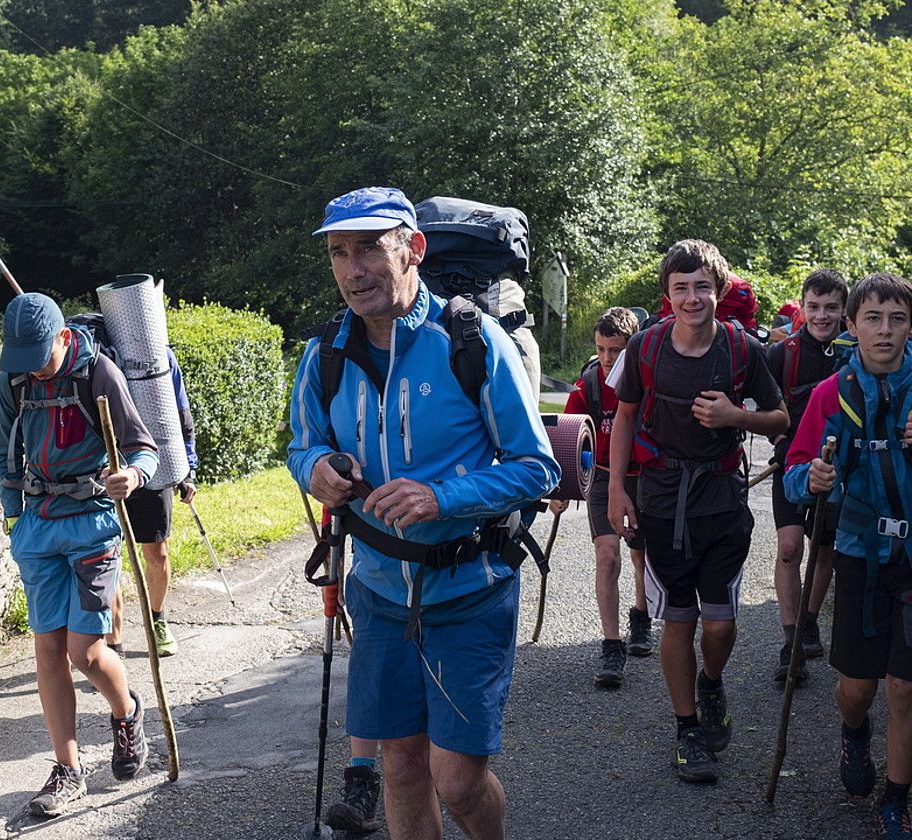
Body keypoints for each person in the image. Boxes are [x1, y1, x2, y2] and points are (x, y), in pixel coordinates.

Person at [288, 186, 559, 839]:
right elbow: (302, 444)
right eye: (339, 253)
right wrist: (318, 469)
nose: (354, 269)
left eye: (370, 250)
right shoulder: (323, 354)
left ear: (413, 249)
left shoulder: (471, 340)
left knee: (458, 780)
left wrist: (442, 497)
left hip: (471, 588)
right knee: (403, 768)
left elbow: (537, 466)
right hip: (379, 593)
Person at [784, 273, 912, 839]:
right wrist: (813, 478)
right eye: (872, 318)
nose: (885, 330)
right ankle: (854, 734)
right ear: (851, 326)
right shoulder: (832, 393)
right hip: (859, 553)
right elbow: (796, 473)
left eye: (898, 319)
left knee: (906, 685)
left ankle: (896, 802)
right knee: (857, 688)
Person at [606, 240, 788, 784]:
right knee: (679, 618)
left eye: (702, 286)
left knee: (722, 623)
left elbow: (780, 417)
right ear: (666, 295)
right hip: (663, 501)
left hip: (723, 499)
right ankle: (686, 728)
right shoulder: (645, 347)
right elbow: (623, 419)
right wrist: (618, 490)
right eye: (681, 288)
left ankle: (712, 682)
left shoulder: (741, 348)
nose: (692, 298)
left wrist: (737, 415)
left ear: (720, 290)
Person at [0, 292, 157, 818]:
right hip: (38, 530)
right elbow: (2, 453)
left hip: (91, 527)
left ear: (64, 337)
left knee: (83, 651)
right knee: (46, 649)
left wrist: (132, 475)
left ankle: (127, 712)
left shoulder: (98, 373)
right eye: (24, 359)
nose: (34, 370)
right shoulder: (15, 377)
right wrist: (15, 515)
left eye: (42, 356)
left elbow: (142, 445)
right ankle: (68, 769)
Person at [548, 307, 654, 689]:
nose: (608, 359)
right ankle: (612, 645)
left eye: (616, 350)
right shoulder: (588, 385)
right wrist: (559, 489)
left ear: (633, 347)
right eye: (601, 349)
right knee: (608, 558)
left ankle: (641, 618)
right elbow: (567, 436)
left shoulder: (648, 381)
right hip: (603, 480)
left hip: (644, 480)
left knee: (642, 555)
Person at [763, 269, 848, 683]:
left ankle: (811, 621)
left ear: (844, 310)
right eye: (813, 307)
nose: (822, 315)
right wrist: (779, 440)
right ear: (801, 307)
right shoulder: (783, 355)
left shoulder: (857, 354)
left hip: (839, 472)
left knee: (825, 549)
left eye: (831, 307)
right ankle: (790, 639)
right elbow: (763, 407)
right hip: (793, 467)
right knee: (789, 548)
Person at [105, 347, 200, 658]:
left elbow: (179, 411)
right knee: (108, 561)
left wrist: (186, 469)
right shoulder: (97, 353)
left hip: (153, 462)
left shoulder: (158, 353)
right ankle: (113, 645)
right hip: (108, 468)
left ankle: (157, 619)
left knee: (157, 554)